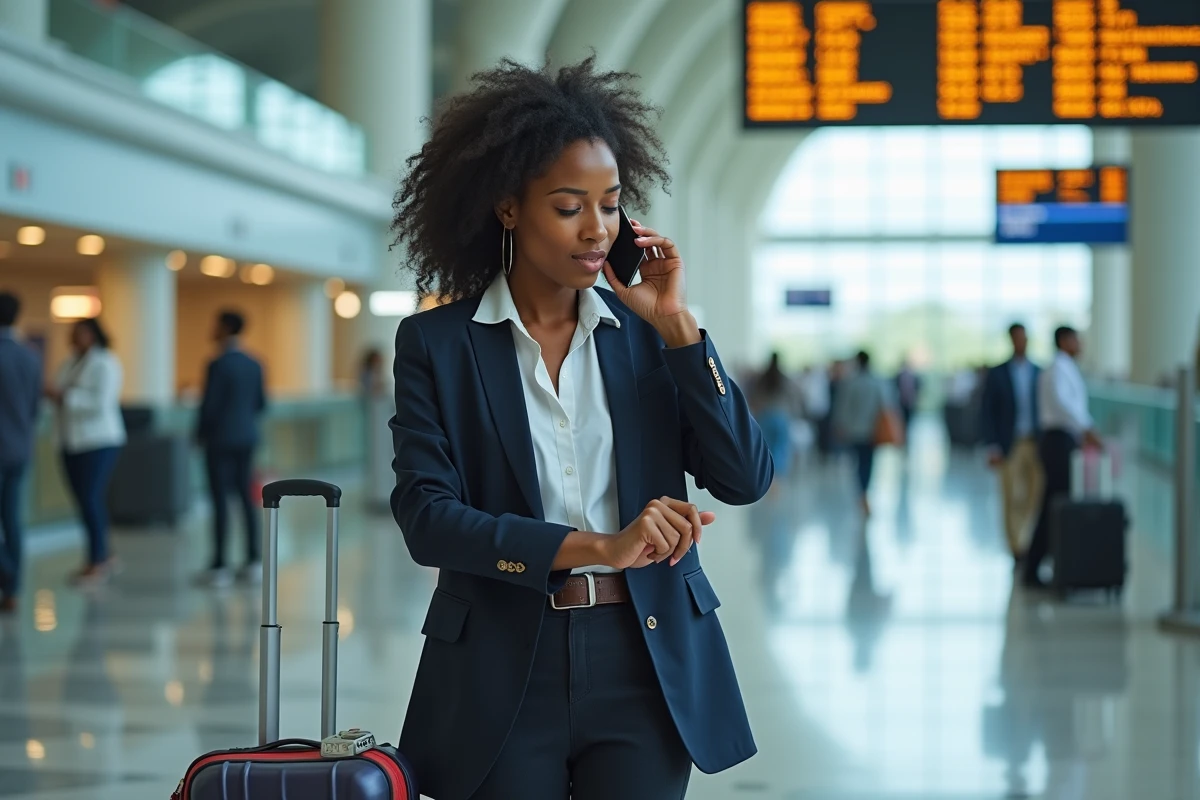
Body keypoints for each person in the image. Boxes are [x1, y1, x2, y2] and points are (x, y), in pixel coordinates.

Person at [387, 58, 774, 800]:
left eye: (610, 204)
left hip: (647, 659)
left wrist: (680, 330)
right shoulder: (438, 345)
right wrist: (601, 546)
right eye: (569, 206)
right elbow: (429, 522)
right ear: (508, 207)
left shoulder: (648, 341)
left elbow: (744, 478)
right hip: (502, 664)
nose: (597, 229)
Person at [47, 317, 126, 584]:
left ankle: (97, 559)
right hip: (71, 441)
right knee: (85, 501)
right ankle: (104, 553)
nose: (75, 338)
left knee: (91, 498)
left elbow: (100, 403)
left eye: (81, 333)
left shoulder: (105, 362)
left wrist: (64, 397)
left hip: (99, 440)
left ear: (93, 335)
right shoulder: (69, 363)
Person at [1022, 326, 1102, 589]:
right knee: (1054, 504)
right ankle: (1034, 566)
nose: (1081, 344)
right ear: (1065, 341)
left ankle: (1043, 563)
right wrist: (1087, 428)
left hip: (1063, 439)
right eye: (1077, 339)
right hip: (1057, 440)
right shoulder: (1057, 369)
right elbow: (1065, 404)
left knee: (1054, 503)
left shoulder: (1064, 368)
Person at [194, 310, 267, 588]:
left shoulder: (217, 364)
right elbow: (260, 403)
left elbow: (209, 407)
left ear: (225, 328)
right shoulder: (255, 363)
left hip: (220, 440)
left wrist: (199, 434)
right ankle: (252, 561)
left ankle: (220, 565)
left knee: (220, 501)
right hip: (247, 438)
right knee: (246, 499)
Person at [980, 323, 1044, 567]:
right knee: (1010, 494)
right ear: (1011, 340)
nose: (1021, 342)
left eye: (1024, 338)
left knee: (1033, 493)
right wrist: (992, 445)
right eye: (1017, 338)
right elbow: (988, 412)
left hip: (1034, 442)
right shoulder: (998, 373)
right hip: (1009, 443)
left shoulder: (1039, 372)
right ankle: (1015, 545)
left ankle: (1026, 537)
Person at [0, 292, 42, 613]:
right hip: (20, 448)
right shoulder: (30, 356)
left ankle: (8, 571)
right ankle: (13, 588)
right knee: (12, 518)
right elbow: (33, 409)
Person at [833, 350, 887, 516]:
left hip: (854, 430)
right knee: (868, 463)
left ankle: (861, 493)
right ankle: (864, 492)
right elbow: (884, 405)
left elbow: (842, 407)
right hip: (871, 430)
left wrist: (840, 426)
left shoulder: (851, 382)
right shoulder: (876, 382)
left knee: (858, 463)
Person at [750, 351, 801, 482]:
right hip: (781, 417)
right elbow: (793, 398)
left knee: (766, 448)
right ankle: (777, 480)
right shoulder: (784, 378)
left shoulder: (762, 378)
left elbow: (754, 397)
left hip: (765, 416)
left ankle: (767, 478)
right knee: (781, 448)